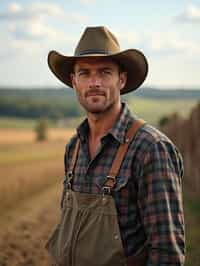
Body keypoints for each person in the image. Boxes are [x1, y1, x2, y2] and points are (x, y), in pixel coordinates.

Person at [46, 26, 185, 266]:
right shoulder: (74, 147)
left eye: (105, 72)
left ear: (121, 80)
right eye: (85, 73)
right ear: (74, 81)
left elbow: (167, 253)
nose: (94, 82)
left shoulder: (150, 148)